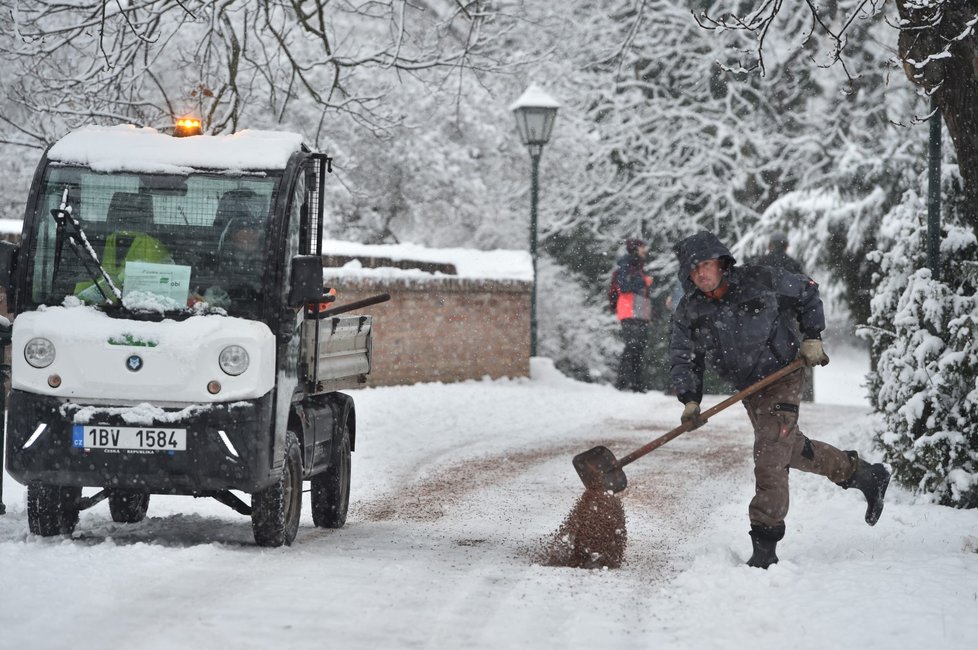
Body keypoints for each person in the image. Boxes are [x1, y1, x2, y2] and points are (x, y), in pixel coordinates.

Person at [668, 231, 890, 569]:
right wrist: (690, 400)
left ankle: (765, 547)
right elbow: (684, 357)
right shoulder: (690, 311)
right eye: (693, 270)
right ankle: (863, 475)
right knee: (791, 447)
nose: (701, 274)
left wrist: (812, 336)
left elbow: (807, 290)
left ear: (721, 263)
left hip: (783, 373)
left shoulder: (760, 280)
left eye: (706, 265)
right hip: (749, 388)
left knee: (770, 452)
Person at [751, 231, 813, 401]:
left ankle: (763, 393)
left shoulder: (760, 264)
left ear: (770, 245)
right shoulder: (793, 265)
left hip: (763, 320)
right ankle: (801, 395)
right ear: (786, 246)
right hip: (788, 317)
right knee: (796, 357)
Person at [608, 237, 654, 392]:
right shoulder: (627, 264)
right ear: (635, 249)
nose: (645, 250)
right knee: (632, 346)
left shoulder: (637, 266)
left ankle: (634, 383)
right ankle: (624, 383)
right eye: (643, 247)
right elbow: (625, 286)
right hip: (629, 309)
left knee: (638, 347)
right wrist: (644, 282)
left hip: (639, 310)